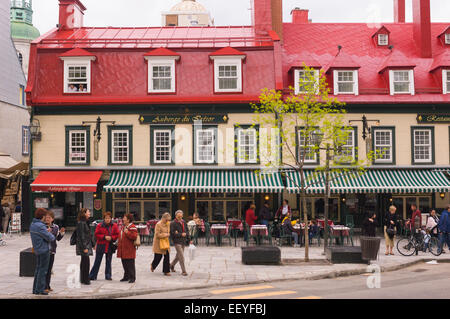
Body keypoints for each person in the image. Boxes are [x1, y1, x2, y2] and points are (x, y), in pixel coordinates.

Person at [30, 208, 55, 295]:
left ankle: (35, 289)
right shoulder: (40, 226)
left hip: (37, 249)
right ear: (43, 216)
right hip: (44, 250)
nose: (45, 218)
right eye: (45, 216)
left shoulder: (33, 224)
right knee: (43, 270)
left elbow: (41, 235)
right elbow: (51, 238)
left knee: (38, 269)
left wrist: (46, 232)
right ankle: (40, 289)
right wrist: (48, 232)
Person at [89, 212, 119, 281]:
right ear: (104, 219)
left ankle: (108, 275)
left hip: (109, 245)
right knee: (97, 261)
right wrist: (104, 237)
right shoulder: (99, 225)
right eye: (106, 218)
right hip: (101, 245)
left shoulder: (114, 225)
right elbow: (96, 234)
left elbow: (117, 234)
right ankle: (93, 275)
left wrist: (111, 238)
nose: (107, 219)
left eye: (109, 218)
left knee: (108, 261)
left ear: (111, 218)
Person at [45, 211, 65, 293]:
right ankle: (44, 286)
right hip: (44, 250)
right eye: (46, 218)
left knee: (49, 269)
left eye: (49, 218)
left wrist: (62, 233)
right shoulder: (42, 226)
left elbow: (58, 238)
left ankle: (48, 285)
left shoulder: (56, 227)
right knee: (45, 269)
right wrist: (47, 232)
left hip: (52, 250)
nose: (47, 219)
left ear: (52, 219)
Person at [117, 213, 138, 283]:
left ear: (128, 220)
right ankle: (126, 276)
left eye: (124, 218)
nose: (123, 219)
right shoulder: (124, 227)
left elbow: (134, 236)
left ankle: (132, 277)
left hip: (129, 249)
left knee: (130, 264)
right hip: (123, 249)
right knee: (124, 263)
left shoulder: (132, 227)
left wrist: (127, 232)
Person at [170, 210, 192, 276]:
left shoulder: (184, 222)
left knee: (178, 256)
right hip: (177, 241)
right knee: (181, 256)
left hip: (183, 241)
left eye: (181, 216)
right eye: (178, 216)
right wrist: (180, 234)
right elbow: (172, 233)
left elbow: (187, 231)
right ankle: (184, 271)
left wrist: (189, 238)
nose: (180, 217)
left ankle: (171, 265)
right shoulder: (173, 223)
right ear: (176, 216)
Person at [76, 208, 93, 285]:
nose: (89, 213)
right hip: (84, 245)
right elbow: (81, 236)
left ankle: (83, 278)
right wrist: (84, 247)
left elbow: (89, 235)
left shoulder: (85, 222)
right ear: (84, 213)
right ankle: (85, 279)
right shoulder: (81, 223)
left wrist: (93, 244)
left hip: (86, 244)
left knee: (84, 261)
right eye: (88, 212)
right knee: (86, 262)